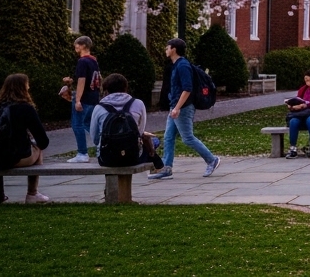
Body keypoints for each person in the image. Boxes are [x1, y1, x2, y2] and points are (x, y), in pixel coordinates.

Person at [150, 38, 221, 180]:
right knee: (168, 137)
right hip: (175, 106)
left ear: (174, 49)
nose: (165, 50)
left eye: (167, 47)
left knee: (187, 138)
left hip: (183, 108)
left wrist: (177, 108)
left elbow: (187, 89)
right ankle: (166, 168)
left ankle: (212, 160)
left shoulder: (183, 65)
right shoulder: (176, 65)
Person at [0, 73, 51, 203]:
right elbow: (43, 141)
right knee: (38, 148)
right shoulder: (25, 108)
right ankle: (32, 193)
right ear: (23, 88)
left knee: (0, 150)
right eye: (27, 86)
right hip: (12, 157)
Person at [90, 73, 163, 170]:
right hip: (132, 157)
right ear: (126, 88)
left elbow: (95, 138)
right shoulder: (138, 104)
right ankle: (159, 165)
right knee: (155, 140)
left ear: (106, 91)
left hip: (106, 159)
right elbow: (140, 132)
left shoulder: (99, 108)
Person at [62, 35, 102, 163]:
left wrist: (78, 99)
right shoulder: (93, 61)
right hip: (93, 97)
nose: (75, 47)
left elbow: (82, 81)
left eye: (77, 44)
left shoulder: (82, 61)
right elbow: (98, 79)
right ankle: (102, 145)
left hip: (84, 98)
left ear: (83, 45)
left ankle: (82, 153)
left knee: (77, 124)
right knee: (88, 124)